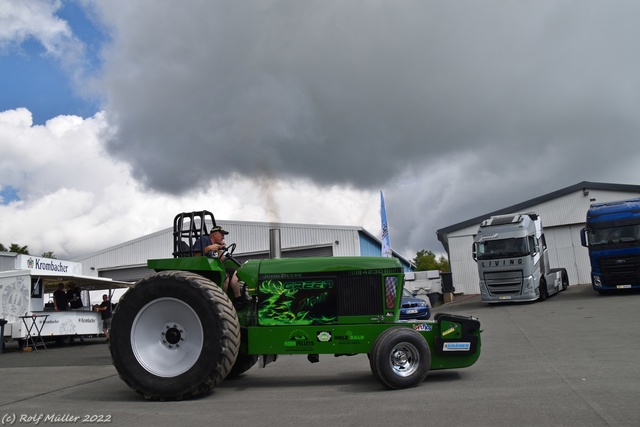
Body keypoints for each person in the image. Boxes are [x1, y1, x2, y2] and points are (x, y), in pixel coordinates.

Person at [193, 226, 248, 309]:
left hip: (214, 268)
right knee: (225, 276)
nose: (223, 237)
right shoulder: (204, 240)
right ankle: (223, 302)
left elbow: (221, 259)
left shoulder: (215, 245)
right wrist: (209, 248)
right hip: (205, 269)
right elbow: (196, 257)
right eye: (222, 235)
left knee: (233, 272)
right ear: (215, 234)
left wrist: (220, 248)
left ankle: (238, 298)